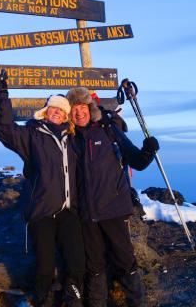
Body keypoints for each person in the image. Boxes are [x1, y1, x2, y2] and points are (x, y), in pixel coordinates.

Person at [0, 72, 85, 307]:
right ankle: (43, 300)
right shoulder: (33, 134)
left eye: (61, 109)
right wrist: (3, 96)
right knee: (45, 264)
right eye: (53, 108)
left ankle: (73, 298)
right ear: (46, 111)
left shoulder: (73, 139)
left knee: (77, 260)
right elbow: (9, 131)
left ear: (66, 115)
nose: (56, 111)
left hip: (70, 211)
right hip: (43, 211)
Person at [66, 87, 159, 307]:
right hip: (87, 215)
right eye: (74, 109)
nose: (79, 113)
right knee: (95, 266)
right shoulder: (68, 139)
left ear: (90, 108)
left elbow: (136, 160)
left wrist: (149, 150)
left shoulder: (108, 131)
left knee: (125, 261)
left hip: (114, 210)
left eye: (82, 108)